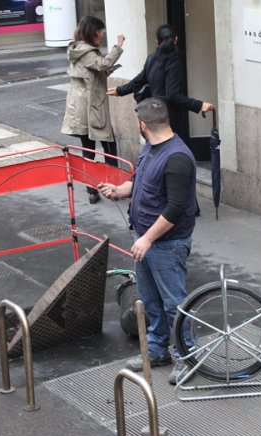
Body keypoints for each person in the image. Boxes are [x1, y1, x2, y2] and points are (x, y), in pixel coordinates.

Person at [97, 98, 197, 385]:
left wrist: (148, 239)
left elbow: (175, 209)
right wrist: (119, 190)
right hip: (146, 241)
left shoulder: (177, 158)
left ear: (143, 125)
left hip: (165, 245)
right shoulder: (151, 148)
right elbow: (140, 181)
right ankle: (157, 351)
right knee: (151, 300)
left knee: (174, 303)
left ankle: (187, 356)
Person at [107, 24, 213, 145]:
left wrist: (120, 90)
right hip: (168, 118)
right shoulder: (174, 62)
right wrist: (199, 105)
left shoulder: (151, 59)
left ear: (157, 41)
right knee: (168, 150)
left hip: (152, 113)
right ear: (176, 39)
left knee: (155, 147)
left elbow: (138, 80)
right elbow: (173, 96)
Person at [61, 15, 125, 204]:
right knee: (108, 146)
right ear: (92, 32)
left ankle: (91, 190)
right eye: (100, 32)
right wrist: (118, 46)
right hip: (92, 106)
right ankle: (113, 187)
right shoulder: (87, 51)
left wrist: (105, 72)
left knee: (88, 149)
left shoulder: (77, 49)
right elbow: (102, 63)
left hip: (80, 106)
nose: (101, 36)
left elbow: (93, 70)